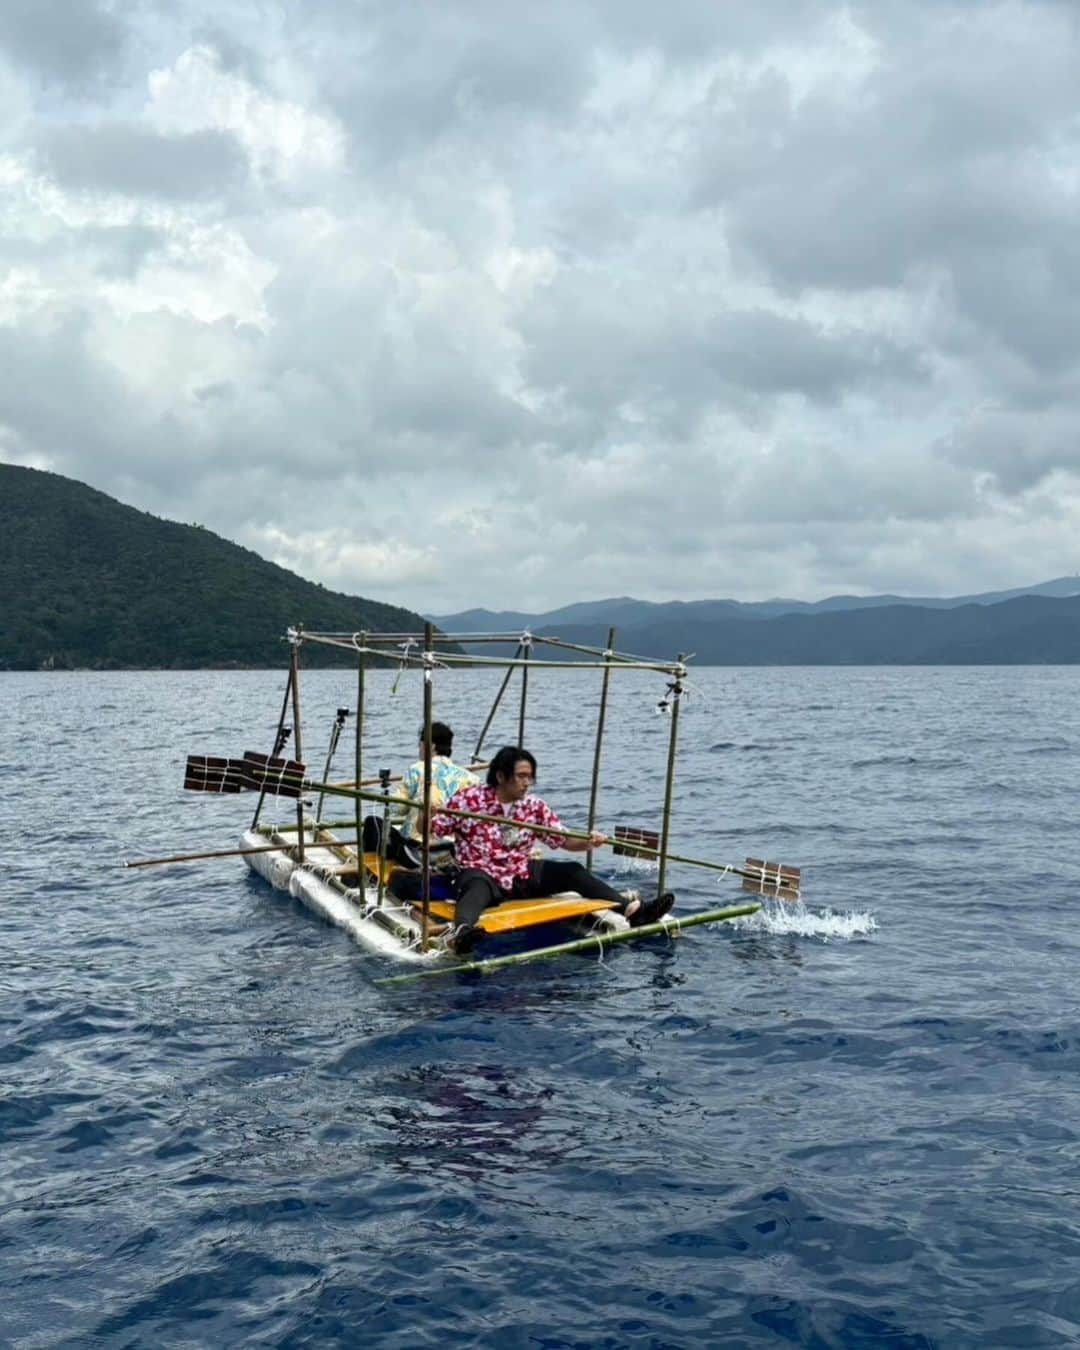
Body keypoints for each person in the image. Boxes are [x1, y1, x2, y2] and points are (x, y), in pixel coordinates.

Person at [431, 744, 674, 955]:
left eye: (530, 777)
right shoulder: (468, 800)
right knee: (473, 888)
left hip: (520, 873)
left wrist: (590, 842)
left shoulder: (534, 807)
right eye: (522, 776)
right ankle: (462, 933)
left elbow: (564, 840)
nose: (527, 782)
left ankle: (631, 910)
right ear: (501, 776)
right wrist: (428, 812)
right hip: (481, 873)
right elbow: (435, 827)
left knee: (571, 871)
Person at [363, 722, 478, 867]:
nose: (419, 749)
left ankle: (371, 873)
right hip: (453, 850)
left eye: (420, 745)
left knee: (372, 822)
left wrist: (387, 796)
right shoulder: (471, 778)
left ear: (431, 746)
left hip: (416, 851)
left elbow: (398, 809)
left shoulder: (417, 770)